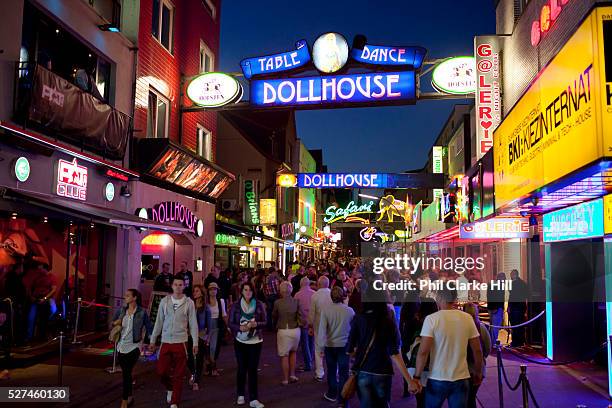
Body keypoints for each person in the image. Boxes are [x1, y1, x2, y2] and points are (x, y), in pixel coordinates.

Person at [414, 287, 483, 408]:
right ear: (455, 298)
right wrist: (478, 372)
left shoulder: (431, 319)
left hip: (437, 376)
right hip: (461, 377)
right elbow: (477, 350)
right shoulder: (467, 318)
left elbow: (423, 352)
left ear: (439, 298)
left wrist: (417, 376)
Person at [348, 296, 421, 407]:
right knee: (383, 404)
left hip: (363, 370)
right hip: (382, 371)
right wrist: (409, 381)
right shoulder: (388, 322)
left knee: (365, 404)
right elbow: (395, 353)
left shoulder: (358, 319)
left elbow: (350, 350)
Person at [149, 279, 199, 408]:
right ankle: (170, 387)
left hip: (181, 341)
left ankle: (175, 402)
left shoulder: (189, 303)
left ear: (184, 286)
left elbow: (193, 324)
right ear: (172, 286)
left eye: (180, 285)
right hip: (166, 341)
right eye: (175, 285)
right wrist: (153, 340)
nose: (178, 287)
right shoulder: (164, 302)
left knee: (179, 374)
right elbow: (159, 322)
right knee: (161, 371)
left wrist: (195, 343)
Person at [228, 282, 267, 408]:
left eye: (250, 290)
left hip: (256, 341)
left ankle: (253, 398)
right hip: (240, 340)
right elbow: (230, 323)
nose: (248, 292)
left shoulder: (259, 304)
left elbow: (265, 321)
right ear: (242, 291)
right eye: (245, 290)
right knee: (241, 368)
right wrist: (239, 327)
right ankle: (240, 394)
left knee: (252, 369)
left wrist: (257, 324)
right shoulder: (236, 305)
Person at [112, 289, 152, 408]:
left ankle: (124, 400)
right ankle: (129, 396)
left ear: (134, 298)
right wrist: (116, 323)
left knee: (127, 372)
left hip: (134, 346)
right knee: (126, 373)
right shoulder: (121, 311)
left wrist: (152, 342)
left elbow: (149, 328)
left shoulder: (142, 312)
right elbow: (112, 323)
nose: (125, 297)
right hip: (121, 346)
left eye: (128, 295)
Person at [317, 287, 354, 406]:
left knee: (331, 370)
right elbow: (353, 330)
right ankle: (343, 398)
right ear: (343, 296)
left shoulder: (326, 310)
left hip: (330, 345)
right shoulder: (349, 311)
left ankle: (332, 393)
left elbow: (322, 330)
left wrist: (320, 347)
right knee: (344, 372)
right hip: (344, 345)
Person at [405, 300, 439, 408]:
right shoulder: (437, 322)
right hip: (435, 368)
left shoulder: (414, 321)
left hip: (415, 367)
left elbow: (405, 344)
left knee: (420, 402)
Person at [272, 281, 301, 385]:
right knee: (293, 352)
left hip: (283, 330)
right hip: (295, 330)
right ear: (291, 290)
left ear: (280, 291)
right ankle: (292, 375)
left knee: (284, 355)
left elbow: (274, 316)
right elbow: (300, 316)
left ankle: (285, 379)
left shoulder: (277, 303)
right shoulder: (296, 301)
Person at [463, 303, 491, 408]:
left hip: (463, 368)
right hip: (478, 368)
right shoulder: (482, 328)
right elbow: (487, 348)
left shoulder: (459, 328)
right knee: (471, 398)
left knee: (464, 398)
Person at [308, 276, 333, 381]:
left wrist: (310, 325)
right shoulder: (332, 294)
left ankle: (319, 373)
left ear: (318, 284)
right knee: (332, 348)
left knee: (318, 349)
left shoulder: (315, 296)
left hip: (319, 325)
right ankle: (333, 371)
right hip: (332, 325)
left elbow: (312, 313)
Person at [187, 284, 211, 391]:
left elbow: (209, 325)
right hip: (189, 335)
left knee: (199, 358)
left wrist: (208, 338)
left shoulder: (206, 308)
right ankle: (193, 373)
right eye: (194, 291)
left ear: (201, 293)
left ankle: (196, 380)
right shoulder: (190, 306)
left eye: (197, 291)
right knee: (189, 358)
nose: (195, 293)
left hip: (201, 335)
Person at [206, 282, 228, 377]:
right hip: (207, 325)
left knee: (214, 347)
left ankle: (212, 366)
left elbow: (224, 314)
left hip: (216, 325)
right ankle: (209, 366)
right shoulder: (205, 301)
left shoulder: (221, 301)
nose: (213, 291)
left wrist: (228, 326)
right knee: (206, 347)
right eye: (211, 289)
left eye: (214, 289)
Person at [294, 276, 315, 372]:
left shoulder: (297, 295)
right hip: (313, 322)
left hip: (302, 321)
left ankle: (308, 363)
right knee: (311, 342)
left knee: (304, 343)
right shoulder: (314, 294)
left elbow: (295, 309)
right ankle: (310, 360)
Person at [508, 269, 528, 347]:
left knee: (515, 325)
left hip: (515, 307)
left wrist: (509, 307)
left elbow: (511, 296)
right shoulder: (523, 283)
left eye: (511, 274)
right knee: (520, 325)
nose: (510, 276)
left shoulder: (513, 284)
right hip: (521, 307)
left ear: (515, 275)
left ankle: (515, 342)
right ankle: (520, 342)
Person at [486, 272, 506, 345]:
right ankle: (493, 343)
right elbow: (493, 297)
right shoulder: (497, 285)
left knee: (494, 326)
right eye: (504, 278)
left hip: (494, 308)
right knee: (495, 326)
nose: (505, 279)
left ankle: (492, 342)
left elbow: (489, 297)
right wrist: (495, 308)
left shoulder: (492, 284)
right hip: (496, 308)